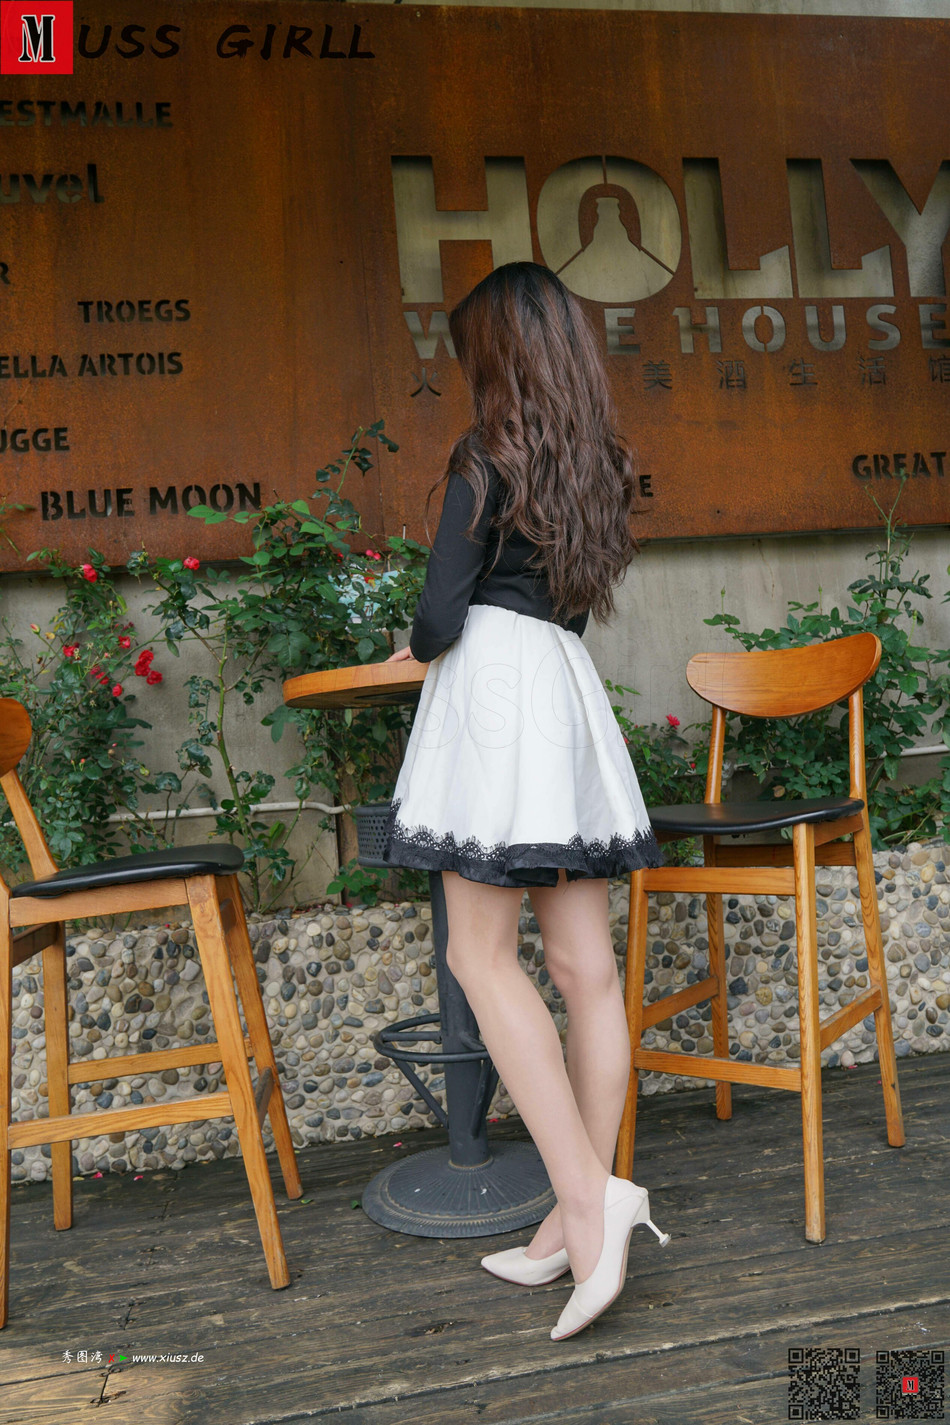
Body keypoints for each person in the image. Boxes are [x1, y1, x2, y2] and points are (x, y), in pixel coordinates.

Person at [381, 261, 670, 1342]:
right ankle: (567, 1219)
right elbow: (570, 606)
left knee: (478, 954)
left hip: (497, 697)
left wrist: (412, 647)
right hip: (560, 687)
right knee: (585, 968)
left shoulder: (485, 454)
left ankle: (588, 1202)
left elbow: (440, 614)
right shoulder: (596, 461)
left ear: (496, 354)